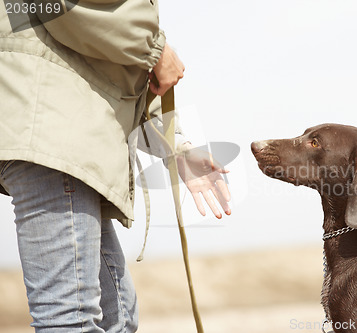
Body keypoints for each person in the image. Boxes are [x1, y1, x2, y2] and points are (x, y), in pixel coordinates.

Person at [0, 1, 230, 332]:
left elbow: (111, 68)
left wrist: (177, 148)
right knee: (70, 319)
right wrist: (155, 47)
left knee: (117, 318)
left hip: (67, 131)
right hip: (54, 129)